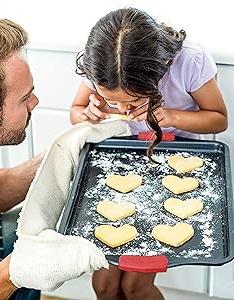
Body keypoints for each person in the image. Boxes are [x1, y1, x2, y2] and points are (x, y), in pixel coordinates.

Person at [0, 18, 114, 300]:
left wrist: (60, 156)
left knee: (21, 230)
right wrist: (7, 277)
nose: (35, 102)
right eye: (24, 97)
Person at [69, 7, 228, 300]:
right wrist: (89, 113)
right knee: (104, 286)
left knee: (135, 287)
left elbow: (218, 118)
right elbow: (76, 112)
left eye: (133, 100)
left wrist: (170, 115)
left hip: (177, 164)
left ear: (160, 69)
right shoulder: (102, 63)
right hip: (119, 164)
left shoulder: (190, 61)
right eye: (111, 99)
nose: (125, 110)